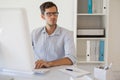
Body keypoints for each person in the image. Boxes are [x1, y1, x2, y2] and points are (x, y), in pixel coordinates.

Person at [32, 1, 76, 69]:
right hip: (39, 70)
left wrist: (49, 63)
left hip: (58, 71)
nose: (53, 16)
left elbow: (71, 58)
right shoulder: (34, 33)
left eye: (55, 13)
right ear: (43, 16)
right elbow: (26, 52)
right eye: (49, 14)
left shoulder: (67, 34)